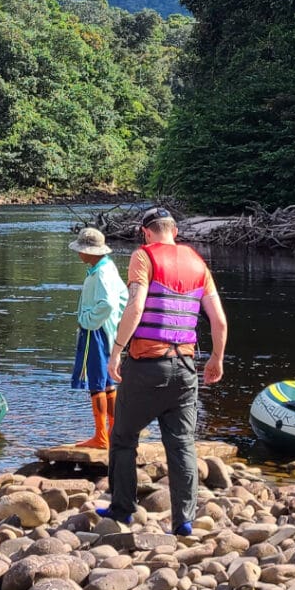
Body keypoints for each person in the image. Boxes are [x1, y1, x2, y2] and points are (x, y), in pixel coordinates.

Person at [98, 207, 228, 536]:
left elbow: (136, 305)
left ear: (146, 232)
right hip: (186, 367)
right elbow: (219, 320)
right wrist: (216, 358)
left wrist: (116, 350)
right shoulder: (198, 263)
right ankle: (183, 521)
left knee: (123, 438)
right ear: (175, 230)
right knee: (182, 443)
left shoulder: (144, 257)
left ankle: (123, 510)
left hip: (146, 366)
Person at [68, 227, 128, 448]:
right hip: (107, 332)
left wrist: (88, 320)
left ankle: (101, 436)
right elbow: (124, 296)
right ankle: (112, 432)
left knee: (96, 383)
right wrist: (115, 321)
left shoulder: (101, 273)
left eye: (81, 249)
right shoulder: (106, 267)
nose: (78, 253)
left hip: (96, 333)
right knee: (108, 382)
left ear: (91, 251)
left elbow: (109, 303)